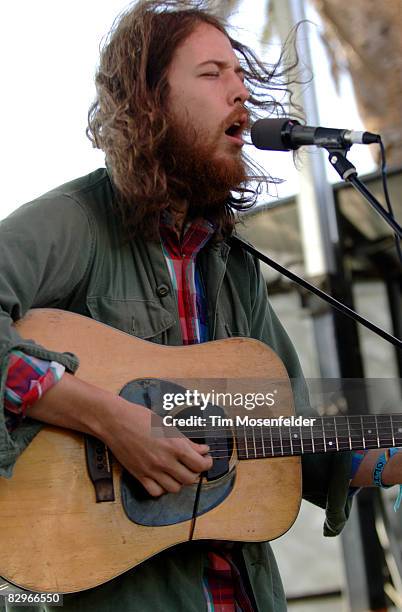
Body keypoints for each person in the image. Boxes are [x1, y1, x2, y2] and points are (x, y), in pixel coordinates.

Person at [1, 1, 401, 610]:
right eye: (213, 74)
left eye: (241, 77)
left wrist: (385, 454)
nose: (240, 92)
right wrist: (113, 421)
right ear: (149, 102)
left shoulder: (234, 265)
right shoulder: (74, 223)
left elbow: (291, 441)